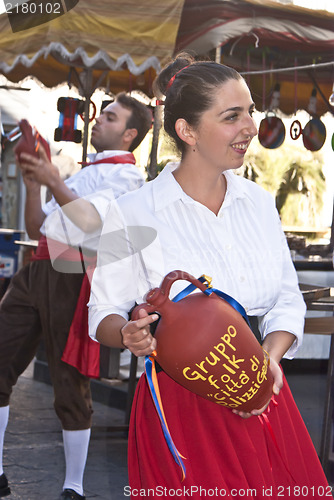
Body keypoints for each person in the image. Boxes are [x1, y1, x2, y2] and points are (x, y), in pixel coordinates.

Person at [88, 54, 330, 499]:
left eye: (251, 112)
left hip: (262, 393)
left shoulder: (258, 204)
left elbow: (286, 299)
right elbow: (102, 313)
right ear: (187, 132)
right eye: (232, 116)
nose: (251, 127)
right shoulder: (134, 211)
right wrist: (127, 333)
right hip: (182, 412)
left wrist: (268, 363)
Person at [0, 92, 152, 500]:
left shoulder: (128, 179)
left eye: (110, 117)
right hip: (37, 269)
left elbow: (89, 223)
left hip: (73, 274)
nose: (98, 120)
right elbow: (37, 227)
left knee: (69, 383)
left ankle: (74, 487)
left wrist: (52, 179)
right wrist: (36, 187)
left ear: (129, 134)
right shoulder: (84, 172)